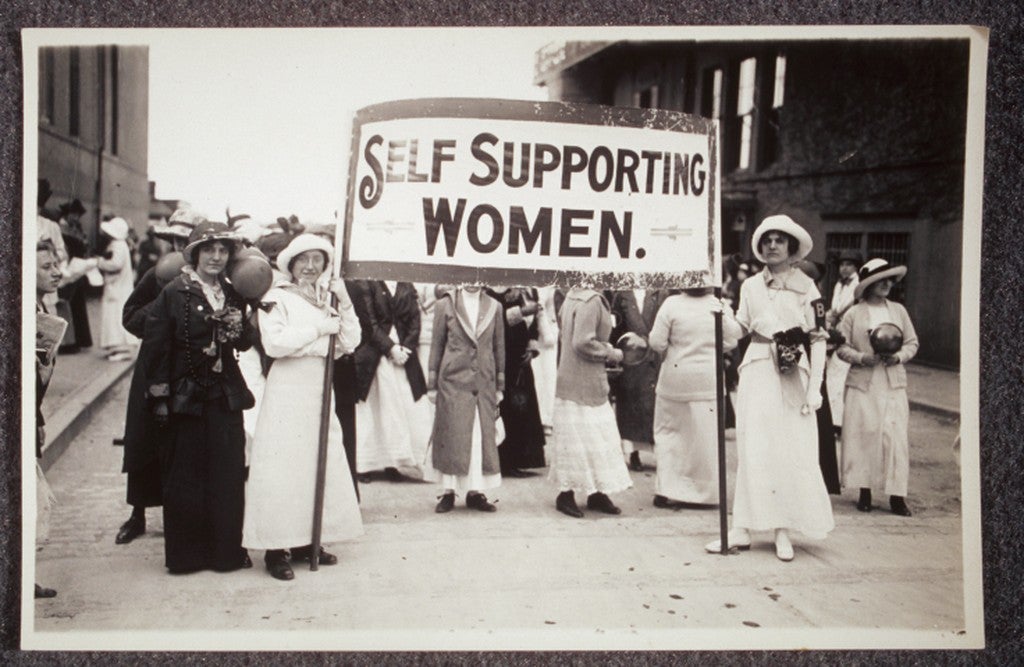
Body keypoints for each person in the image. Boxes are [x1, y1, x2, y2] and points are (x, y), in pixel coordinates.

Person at [705, 215, 834, 561]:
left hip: (794, 373)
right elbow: (739, 333)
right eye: (767, 240)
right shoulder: (750, 287)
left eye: (779, 240)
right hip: (758, 367)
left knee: (790, 449)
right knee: (753, 447)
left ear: (791, 248)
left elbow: (819, 339)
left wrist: (816, 388)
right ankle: (742, 528)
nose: (772, 245)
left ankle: (782, 530)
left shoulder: (808, 288)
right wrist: (723, 315)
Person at [243, 234, 364, 581]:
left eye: (317, 260)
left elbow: (350, 342)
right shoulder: (276, 298)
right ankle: (275, 548)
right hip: (287, 389)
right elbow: (276, 344)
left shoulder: (327, 299)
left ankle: (305, 541)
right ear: (291, 265)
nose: (310, 267)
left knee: (314, 466)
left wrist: (345, 303)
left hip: (318, 391)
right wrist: (317, 329)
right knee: (284, 467)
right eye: (303, 260)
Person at [144, 221, 255, 574]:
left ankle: (225, 554)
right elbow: (155, 349)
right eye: (209, 250)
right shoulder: (175, 292)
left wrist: (240, 326)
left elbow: (246, 344)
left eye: (223, 251)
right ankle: (187, 557)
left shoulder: (232, 292)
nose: (217, 257)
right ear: (194, 254)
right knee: (185, 477)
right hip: (185, 397)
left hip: (224, 396)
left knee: (227, 474)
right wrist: (160, 399)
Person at [113, 209, 202, 545]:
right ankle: (137, 514)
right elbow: (130, 317)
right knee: (144, 436)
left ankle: (185, 516)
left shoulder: (212, 277)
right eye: (175, 239)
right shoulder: (157, 274)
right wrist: (163, 303)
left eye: (187, 239)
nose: (180, 245)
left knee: (187, 442)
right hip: (154, 365)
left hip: (191, 369)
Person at [836, 258, 919, 516]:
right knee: (865, 434)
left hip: (892, 380)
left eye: (889, 280)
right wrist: (863, 358)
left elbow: (912, 342)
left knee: (894, 437)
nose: (886, 284)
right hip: (864, 383)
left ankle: (897, 496)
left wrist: (898, 357)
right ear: (868, 285)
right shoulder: (853, 313)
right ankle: (865, 491)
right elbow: (840, 345)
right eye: (879, 281)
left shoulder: (898, 311)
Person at [647, 287, 742, 507]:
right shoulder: (719, 304)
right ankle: (704, 493)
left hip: (675, 378)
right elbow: (731, 341)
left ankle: (666, 489)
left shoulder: (671, 304)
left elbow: (656, 342)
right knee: (705, 439)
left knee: (670, 434)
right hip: (708, 379)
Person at [549, 287, 633, 518]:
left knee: (583, 439)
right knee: (590, 438)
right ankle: (567, 494)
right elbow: (582, 342)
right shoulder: (591, 300)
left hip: (574, 380)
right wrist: (610, 352)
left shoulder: (574, 295)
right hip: (584, 383)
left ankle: (595, 492)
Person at [426, 285, 505, 513]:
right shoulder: (445, 304)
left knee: (478, 437)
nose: (472, 280)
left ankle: (475, 492)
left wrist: (499, 383)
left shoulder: (494, 306)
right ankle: (448, 492)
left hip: (483, 382)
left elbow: (498, 347)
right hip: (452, 381)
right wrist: (432, 385)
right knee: (452, 435)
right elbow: (436, 345)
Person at [352, 279, 431, 481]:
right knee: (375, 410)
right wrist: (390, 348)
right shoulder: (367, 283)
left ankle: (393, 462)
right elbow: (369, 323)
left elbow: (415, 320)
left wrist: (407, 347)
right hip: (375, 356)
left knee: (401, 409)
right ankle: (364, 465)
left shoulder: (406, 284)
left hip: (403, 357)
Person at [487, 286, 546, 477]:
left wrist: (532, 346)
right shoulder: (490, 290)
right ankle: (505, 461)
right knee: (507, 407)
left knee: (524, 406)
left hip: (521, 353)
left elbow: (535, 320)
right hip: (504, 354)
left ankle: (521, 459)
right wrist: (520, 312)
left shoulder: (528, 290)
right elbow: (495, 319)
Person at [608, 288, 669, 471]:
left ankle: (660, 453)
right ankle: (633, 453)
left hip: (654, 357)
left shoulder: (661, 293)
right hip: (631, 357)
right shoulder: (622, 294)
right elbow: (616, 326)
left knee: (653, 405)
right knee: (630, 404)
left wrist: (649, 342)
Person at [34, 240, 64, 599]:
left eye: (57, 264)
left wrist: (38, 416)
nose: (56, 271)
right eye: (46, 266)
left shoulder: (40, 306)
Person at [825, 249, 863, 435]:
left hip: (849, 331)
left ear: (856, 267)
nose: (844, 268)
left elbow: (849, 309)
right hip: (837, 329)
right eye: (842, 264)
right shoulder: (838, 285)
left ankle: (840, 422)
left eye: (848, 264)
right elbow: (835, 307)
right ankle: (834, 420)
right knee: (834, 375)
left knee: (841, 375)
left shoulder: (858, 286)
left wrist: (836, 316)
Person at [96, 217, 137, 362]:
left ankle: (123, 348)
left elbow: (115, 264)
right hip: (118, 286)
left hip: (117, 288)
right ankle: (115, 347)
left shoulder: (118, 245)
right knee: (113, 316)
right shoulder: (121, 244)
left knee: (115, 316)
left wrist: (100, 263)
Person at [57, 199, 93, 352]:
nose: (76, 218)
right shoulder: (60, 229)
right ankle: (68, 343)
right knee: (67, 305)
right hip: (67, 270)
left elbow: (84, 246)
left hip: (78, 270)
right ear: (67, 214)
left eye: (78, 215)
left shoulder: (76, 228)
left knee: (77, 304)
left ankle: (79, 340)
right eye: (74, 214)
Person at [532, 285, 560, 435]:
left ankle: (547, 417)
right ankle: (541, 418)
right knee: (539, 377)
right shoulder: (540, 286)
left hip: (551, 334)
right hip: (540, 336)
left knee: (549, 377)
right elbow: (540, 308)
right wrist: (547, 333)